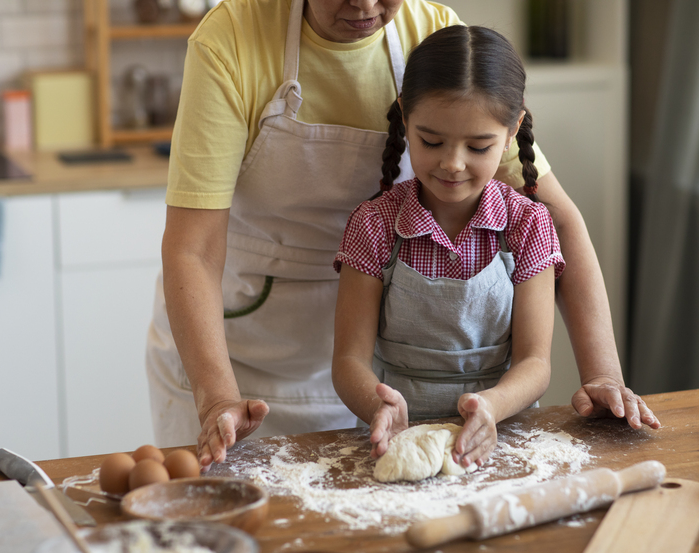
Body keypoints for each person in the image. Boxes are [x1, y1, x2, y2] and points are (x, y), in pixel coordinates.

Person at [146, 0, 660, 472]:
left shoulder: (435, 36)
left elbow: (558, 220)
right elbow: (193, 248)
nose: (366, 6)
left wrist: (604, 377)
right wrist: (216, 397)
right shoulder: (231, 40)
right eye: (431, 141)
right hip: (241, 353)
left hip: (380, 360)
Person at [331, 25, 566, 468]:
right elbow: (348, 360)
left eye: (479, 146)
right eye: (431, 141)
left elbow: (535, 363)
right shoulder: (375, 224)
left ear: (513, 129)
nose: (452, 164)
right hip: (395, 441)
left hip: (501, 436)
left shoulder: (528, 224)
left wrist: (490, 407)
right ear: (404, 117)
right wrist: (377, 405)